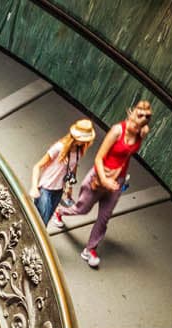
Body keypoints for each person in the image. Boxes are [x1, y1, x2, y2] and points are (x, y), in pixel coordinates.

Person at [54, 100, 154, 268]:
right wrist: (105, 180)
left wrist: (117, 179)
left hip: (117, 180)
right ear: (132, 113)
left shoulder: (142, 132)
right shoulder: (117, 130)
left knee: (104, 218)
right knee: (82, 209)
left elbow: (130, 151)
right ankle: (60, 211)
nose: (143, 119)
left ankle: (90, 249)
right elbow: (99, 157)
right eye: (140, 115)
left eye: (147, 117)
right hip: (99, 177)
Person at [29, 118, 95, 226]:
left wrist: (70, 186)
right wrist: (34, 187)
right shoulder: (59, 147)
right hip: (46, 188)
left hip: (58, 190)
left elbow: (73, 167)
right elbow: (37, 166)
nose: (86, 142)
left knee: (44, 222)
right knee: (40, 223)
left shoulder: (79, 151)